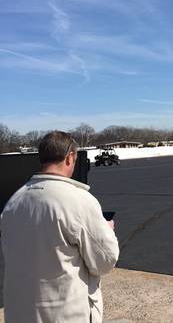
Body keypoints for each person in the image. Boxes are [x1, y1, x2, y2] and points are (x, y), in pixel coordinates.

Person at [1, 131, 119, 323]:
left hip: (19, 313)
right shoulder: (79, 200)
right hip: (64, 314)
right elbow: (104, 261)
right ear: (70, 157)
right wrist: (108, 231)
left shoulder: (14, 201)